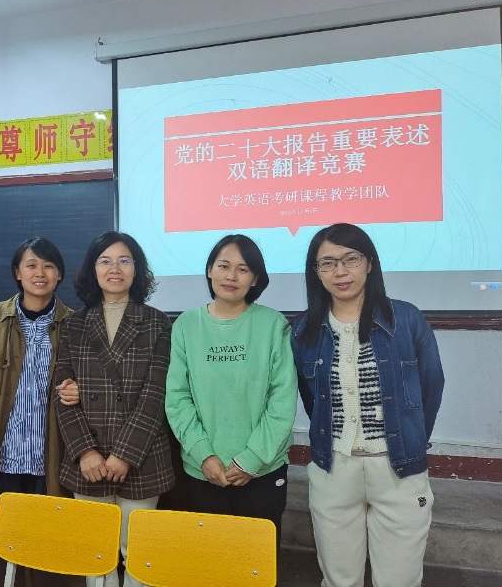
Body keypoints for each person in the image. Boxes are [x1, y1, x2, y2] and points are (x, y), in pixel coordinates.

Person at [291, 223, 444, 587]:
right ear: (316, 272)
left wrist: (410, 439)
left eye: (351, 259)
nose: (340, 271)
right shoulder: (304, 329)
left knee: (399, 580)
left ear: (370, 263)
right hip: (334, 467)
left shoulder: (405, 319)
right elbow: (312, 399)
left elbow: (431, 386)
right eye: (327, 263)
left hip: (397, 468)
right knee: (339, 579)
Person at [0, 237, 81, 587]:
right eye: (31, 265)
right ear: (17, 272)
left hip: (50, 460)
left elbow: (87, 387)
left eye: (48, 266)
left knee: (48, 554)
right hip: (0, 456)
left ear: (59, 274)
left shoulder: (74, 325)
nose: (40, 273)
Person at [165, 234, 297, 560]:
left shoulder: (273, 325)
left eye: (243, 269)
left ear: (255, 279)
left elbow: (282, 400)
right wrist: (203, 455)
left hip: (262, 470)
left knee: (254, 565)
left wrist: (251, 459)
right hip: (202, 470)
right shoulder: (186, 325)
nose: (231, 276)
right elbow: (177, 398)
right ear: (210, 270)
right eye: (223, 266)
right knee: (211, 563)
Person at [55, 231, 175, 587]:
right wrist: (85, 451)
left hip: (141, 455)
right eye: (105, 261)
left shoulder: (157, 322)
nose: (115, 269)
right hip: (87, 459)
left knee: (138, 554)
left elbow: (156, 394)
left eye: (124, 261)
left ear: (137, 269)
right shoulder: (74, 324)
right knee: (95, 553)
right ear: (93, 269)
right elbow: (62, 392)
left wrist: (124, 455)